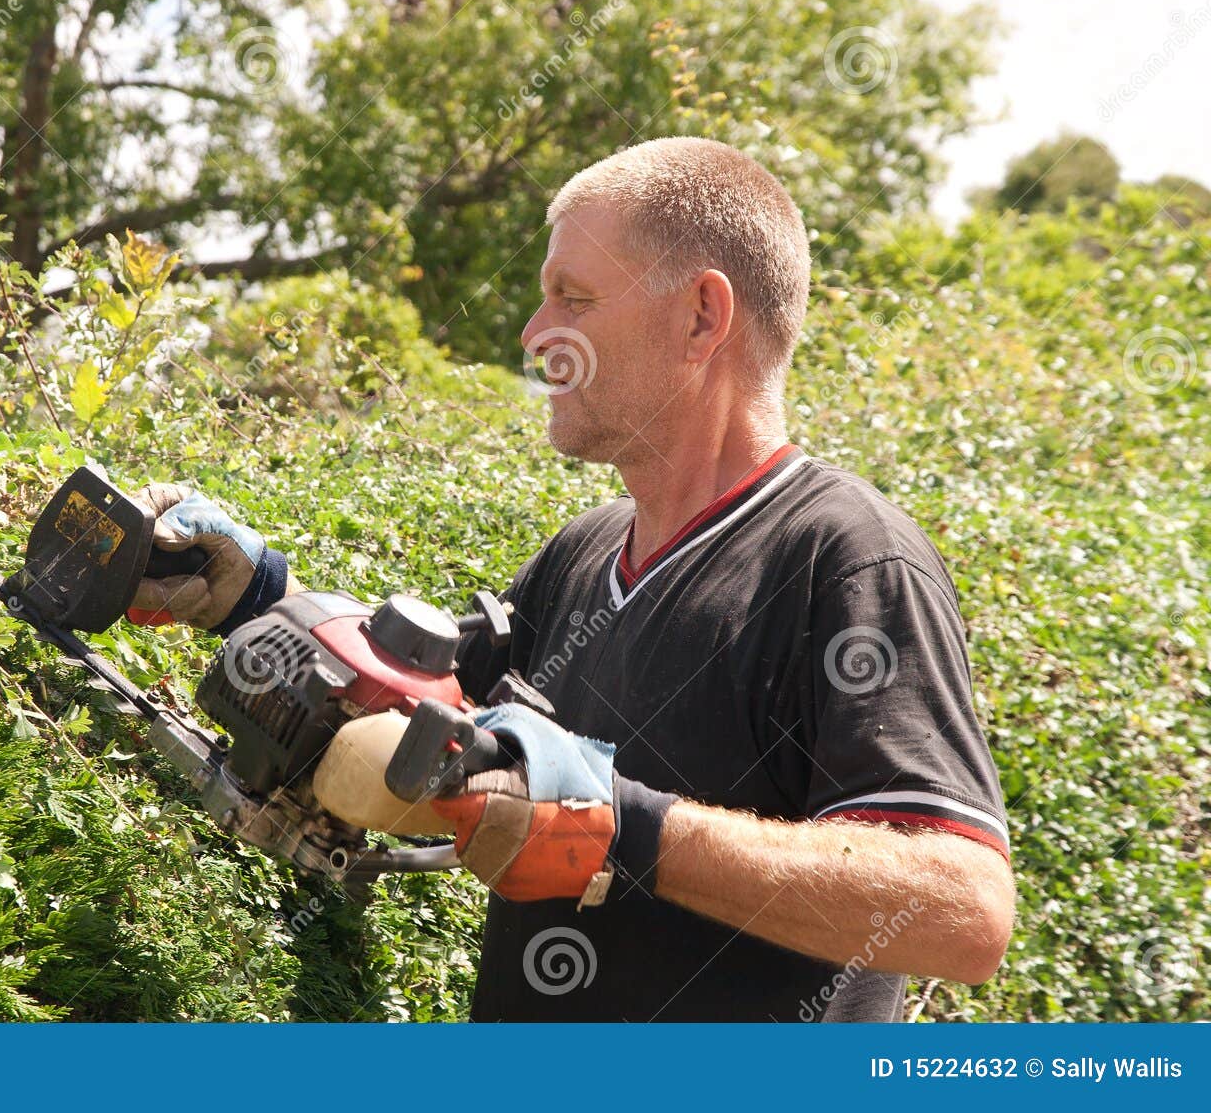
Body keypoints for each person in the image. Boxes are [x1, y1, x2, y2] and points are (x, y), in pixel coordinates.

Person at [131, 137, 1014, 1022]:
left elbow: (965, 907)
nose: (532, 333)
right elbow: (423, 734)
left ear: (703, 318)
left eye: (574, 298)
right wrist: (258, 599)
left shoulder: (844, 559)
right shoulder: (583, 556)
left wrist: (624, 828)